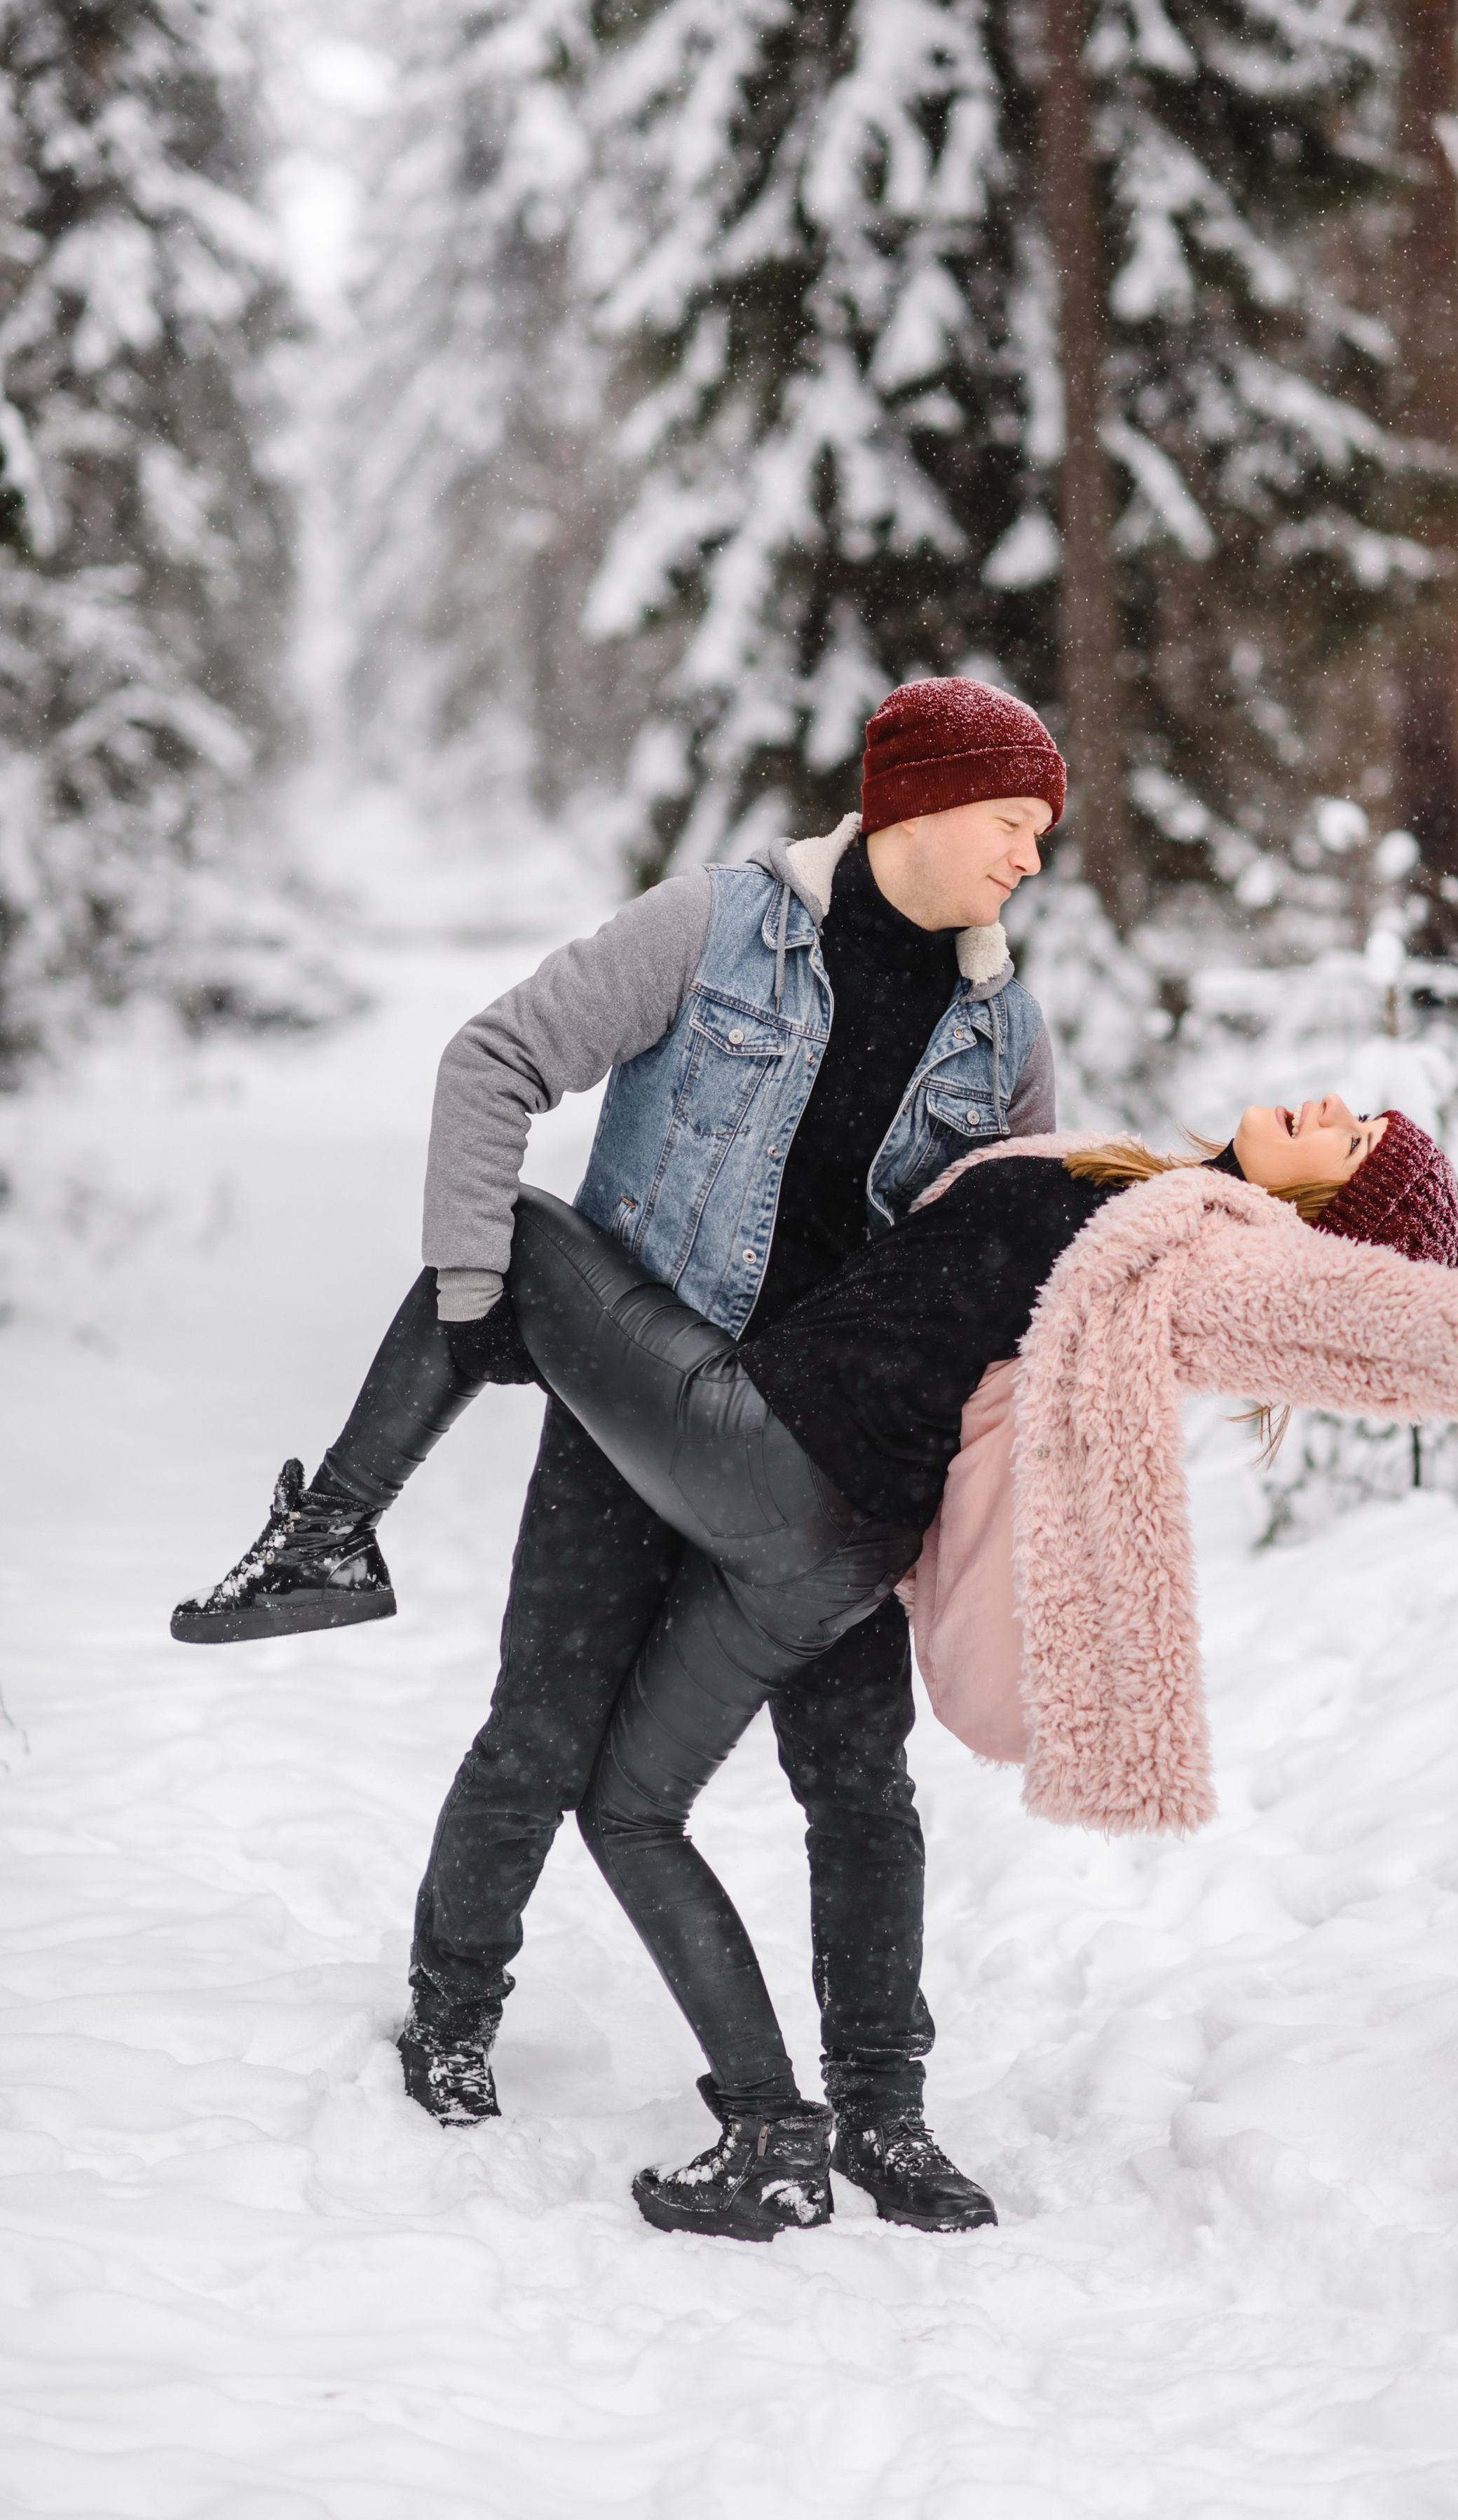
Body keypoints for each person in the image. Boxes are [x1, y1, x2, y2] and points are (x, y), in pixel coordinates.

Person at [174, 1081, 1458, 2242]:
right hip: (827, 1533)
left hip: (765, 1453)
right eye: (1359, 1111)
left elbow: (1323, 1313)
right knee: (629, 1801)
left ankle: (328, 1537)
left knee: (506, 1231)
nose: (1337, 1109)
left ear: (1322, 1216)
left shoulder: (1200, 1254)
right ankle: (772, 2134)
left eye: (1356, 1146)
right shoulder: (1139, 1189)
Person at [170, 677, 1065, 2235]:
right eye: (1013, 825)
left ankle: (883, 2111)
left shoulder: (1003, 1031)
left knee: (858, 1783)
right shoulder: (713, 928)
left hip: (831, 1456)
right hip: (635, 1412)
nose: (1030, 863)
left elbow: (1014, 1262)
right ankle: (452, 2017)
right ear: (917, 801)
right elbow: (493, 1060)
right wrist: (476, 1301)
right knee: (540, 1733)